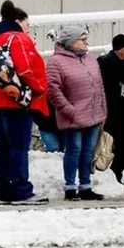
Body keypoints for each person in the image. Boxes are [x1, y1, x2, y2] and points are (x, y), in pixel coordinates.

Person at [0, 0, 49, 204]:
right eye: (27, 26)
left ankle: (3, 191)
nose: (28, 30)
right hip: (15, 100)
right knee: (19, 146)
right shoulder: (19, 38)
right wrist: (40, 88)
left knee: (2, 146)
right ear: (18, 22)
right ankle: (21, 191)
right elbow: (27, 68)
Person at [46, 27, 107, 201]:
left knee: (88, 152)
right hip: (73, 115)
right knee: (74, 150)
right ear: (71, 42)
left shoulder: (90, 59)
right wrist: (69, 110)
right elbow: (53, 90)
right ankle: (70, 187)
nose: (86, 43)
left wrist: (102, 110)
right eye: (82, 40)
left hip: (93, 114)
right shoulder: (56, 62)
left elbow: (99, 87)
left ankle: (85, 186)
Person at [97, 33, 124, 186]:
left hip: (115, 110)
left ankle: (115, 173)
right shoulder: (113, 64)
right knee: (112, 143)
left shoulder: (110, 61)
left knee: (116, 143)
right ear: (120, 49)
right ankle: (113, 173)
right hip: (112, 111)